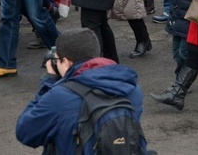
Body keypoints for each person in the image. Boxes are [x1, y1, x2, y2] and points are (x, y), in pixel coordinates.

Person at [15, 27, 147, 153]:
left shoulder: (60, 97)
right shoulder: (131, 88)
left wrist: (48, 84)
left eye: (57, 60)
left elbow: (25, 132)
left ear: (65, 62)